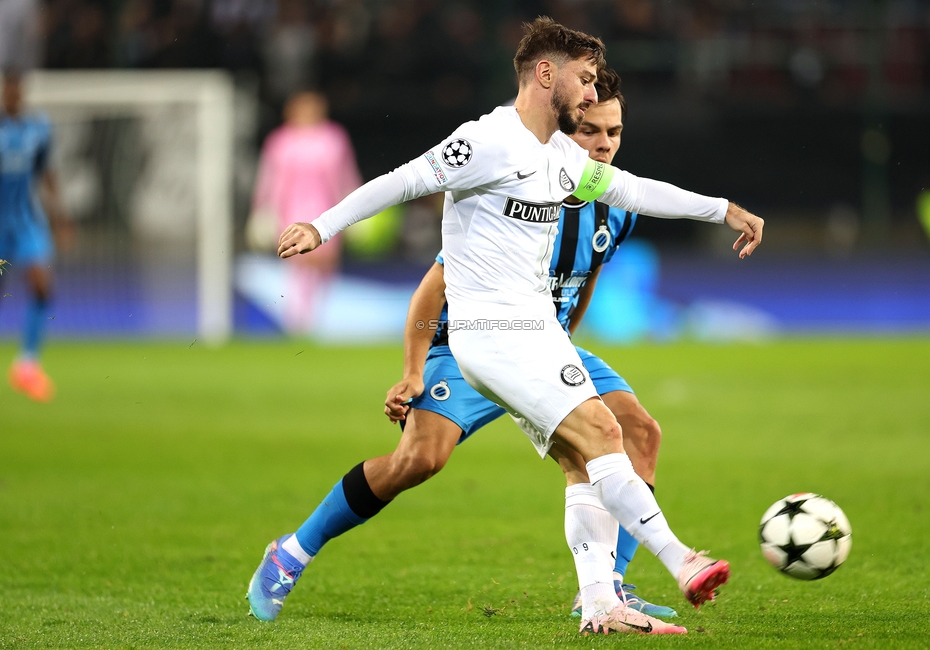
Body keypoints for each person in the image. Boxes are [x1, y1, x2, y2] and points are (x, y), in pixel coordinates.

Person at [257, 17, 763, 636]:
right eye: (584, 80)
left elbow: (632, 191)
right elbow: (404, 181)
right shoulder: (486, 142)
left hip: (538, 335)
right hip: (487, 335)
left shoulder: (561, 160)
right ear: (546, 74)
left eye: (606, 110)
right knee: (431, 458)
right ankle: (681, 562)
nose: (589, 96)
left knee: (604, 442)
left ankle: (602, 600)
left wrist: (724, 210)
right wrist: (321, 227)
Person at [248, 90, 361, 333]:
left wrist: (356, 207)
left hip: (328, 207)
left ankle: (319, 315)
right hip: (291, 208)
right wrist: (262, 210)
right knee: (298, 261)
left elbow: (345, 174)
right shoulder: (281, 140)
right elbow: (269, 178)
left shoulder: (333, 137)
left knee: (325, 262)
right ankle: (298, 319)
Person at [0, 71, 71, 403]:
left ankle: (27, 366)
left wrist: (60, 216)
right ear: (2, 91)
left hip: (27, 222)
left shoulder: (37, 127)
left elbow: (46, 172)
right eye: (8, 89)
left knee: (41, 283)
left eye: (17, 90)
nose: (13, 95)